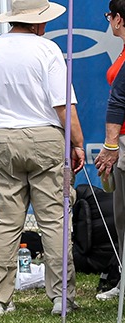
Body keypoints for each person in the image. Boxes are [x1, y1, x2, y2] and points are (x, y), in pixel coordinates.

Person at [0, 0, 85, 316]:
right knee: (55, 220)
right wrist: (78, 143)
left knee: (3, 220)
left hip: (0, 137)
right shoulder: (47, 51)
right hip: (44, 137)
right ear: (40, 23)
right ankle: (61, 297)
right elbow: (63, 107)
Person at [95, 1, 125, 302]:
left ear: (118, 18)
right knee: (120, 215)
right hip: (121, 142)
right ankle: (123, 278)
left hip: (124, 141)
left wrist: (111, 145)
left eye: (109, 16)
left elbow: (119, 102)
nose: (109, 22)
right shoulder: (122, 51)